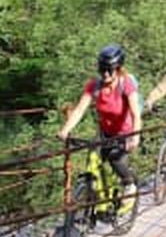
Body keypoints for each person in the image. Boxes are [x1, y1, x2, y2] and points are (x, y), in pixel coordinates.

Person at [57, 44, 141, 211]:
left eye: (110, 70)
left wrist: (135, 136)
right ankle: (95, 203)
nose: (106, 74)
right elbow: (80, 109)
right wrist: (65, 130)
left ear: (118, 69)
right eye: (102, 69)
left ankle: (129, 184)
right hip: (105, 131)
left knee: (116, 160)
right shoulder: (94, 86)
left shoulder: (126, 84)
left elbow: (135, 114)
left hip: (124, 132)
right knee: (93, 159)